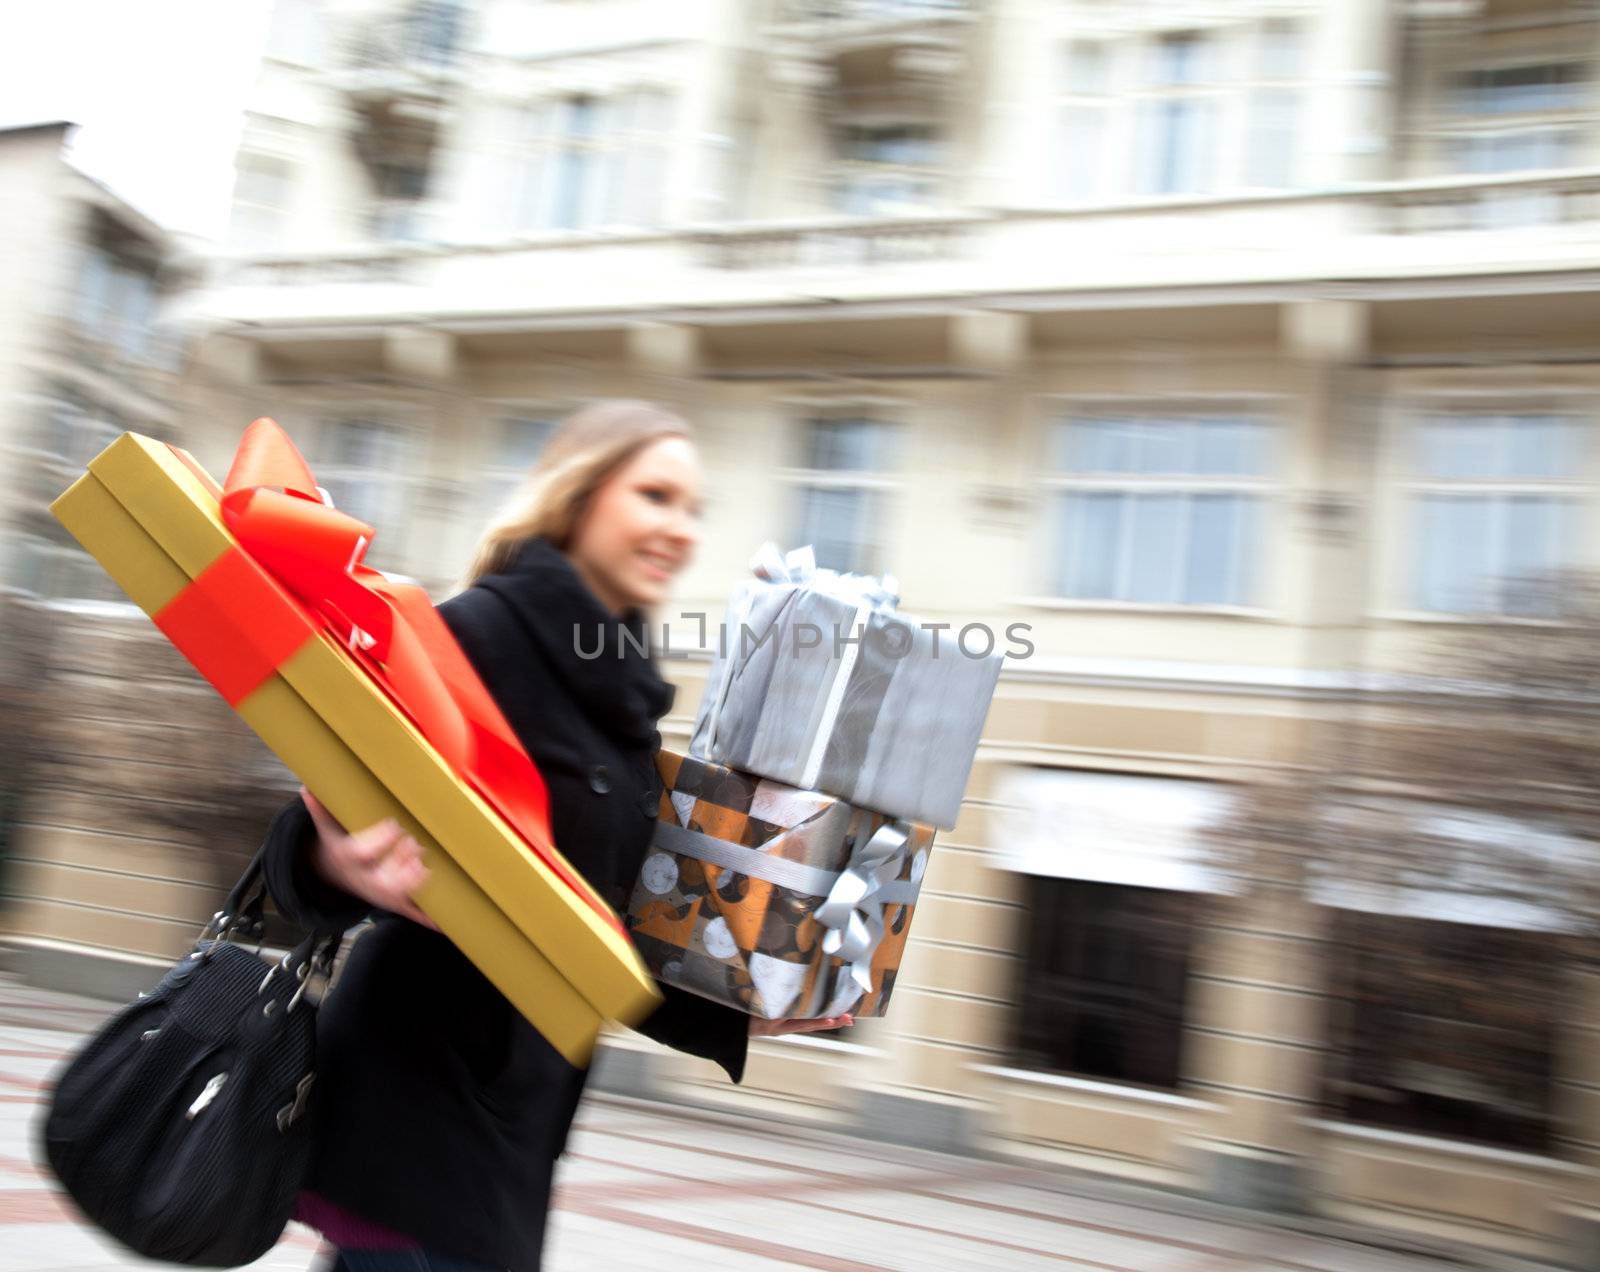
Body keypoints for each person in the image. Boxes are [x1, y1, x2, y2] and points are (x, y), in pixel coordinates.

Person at [257, 400, 852, 1272]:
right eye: (654, 495)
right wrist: (335, 862)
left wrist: (742, 1017)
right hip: (413, 1102)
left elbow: (604, 931)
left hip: (516, 1127)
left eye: (693, 509)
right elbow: (306, 828)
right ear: (578, 495)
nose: (679, 529)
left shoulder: (626, 706)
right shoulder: (472, 634)